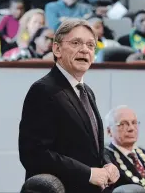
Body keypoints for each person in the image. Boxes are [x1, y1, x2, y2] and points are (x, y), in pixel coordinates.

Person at [19, 18, 120, 193]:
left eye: (90, 45)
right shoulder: (43, 90)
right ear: (57, 49)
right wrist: (88, 173)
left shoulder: (86, 91)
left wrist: (107, 163)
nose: (84, 50)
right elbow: (34, 153)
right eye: (76, 43)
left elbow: (88, 144)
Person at [104, 105, 145, 193]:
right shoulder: (105, 158)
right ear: (109, 131)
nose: (131, 128)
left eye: (134, 122)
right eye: (123, 124)